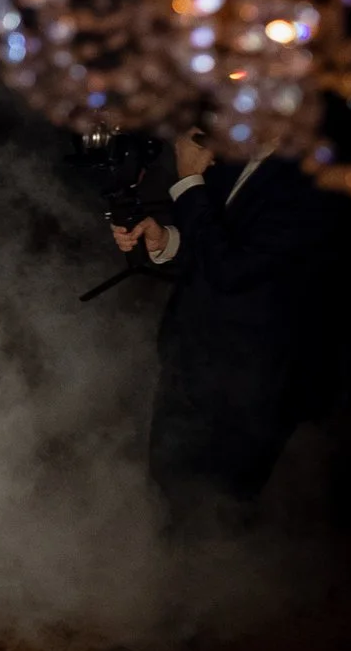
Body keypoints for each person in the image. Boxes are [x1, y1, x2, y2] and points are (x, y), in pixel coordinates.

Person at [114, 134, 338, 516]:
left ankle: (210, 573)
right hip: (190, 356)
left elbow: (231, 270)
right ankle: (163, 567)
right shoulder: (238, 154)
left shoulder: (315, 178)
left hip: (251, 378)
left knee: (220, 506)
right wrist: (166, 238)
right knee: (166, 485)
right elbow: (213, 240)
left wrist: (187, 183)